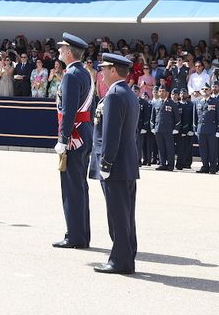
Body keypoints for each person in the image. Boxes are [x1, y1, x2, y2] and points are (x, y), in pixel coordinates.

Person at [88, 53, 140, 275]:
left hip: (115, 166)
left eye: (104, 68)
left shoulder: (115, 95)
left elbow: (111, 135)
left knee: (117, 214)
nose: (101, 72)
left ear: (113, 70)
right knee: (126, 214)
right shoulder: (126, 93)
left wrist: (106, 164)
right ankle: (127, 255)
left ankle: (120, 260)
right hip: (126, 164)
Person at [53, 33, 93, 250]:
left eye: (62, 47)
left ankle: (75, 236)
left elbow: (68, 111)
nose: (59, 50)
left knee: (71, 187)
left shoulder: (71, 75)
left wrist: (63, 138)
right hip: (84, 132)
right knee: (80, 186)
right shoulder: (85, 73)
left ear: (69, 52)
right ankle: (82, 233)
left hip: (74, 136)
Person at [195, 83, 219, 174]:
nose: (204, 90)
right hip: (201, 129)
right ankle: (205, 166)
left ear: (210, 91)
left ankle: (213, 167)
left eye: (206, 89)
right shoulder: (198, 102)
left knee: (213, 150)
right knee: (203, 150)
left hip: (212, 130)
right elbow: (194, 117)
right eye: (202, 89)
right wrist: (195, 129)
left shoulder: (215, 102)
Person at [150, 86, 177, 171]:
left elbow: (177, 117)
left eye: (163, 91)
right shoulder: (155, 103)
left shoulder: (172, 103)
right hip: (158, 129)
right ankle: (162, 164)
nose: (161, 92)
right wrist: (152, 127)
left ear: (167, 93)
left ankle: (170, 164)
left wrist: (176, 128)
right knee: (160, 147)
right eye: (160, 91)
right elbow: (152, 117)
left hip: (168, 129)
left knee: (169, 147)